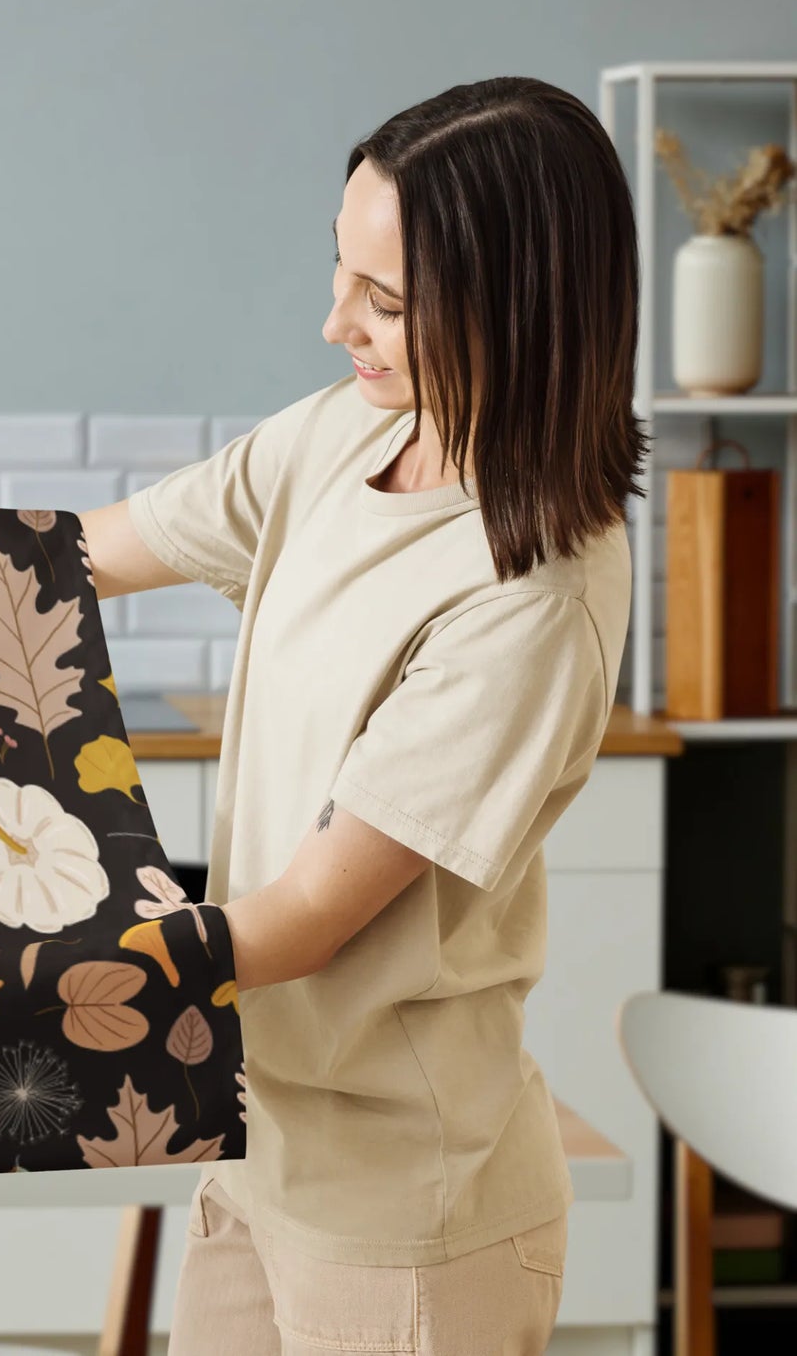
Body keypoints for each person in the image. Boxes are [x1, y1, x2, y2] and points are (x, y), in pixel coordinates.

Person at [81, 75, 647, 1355]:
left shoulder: (531, 593)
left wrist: (7, 969)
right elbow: (77, 557)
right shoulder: (344, 434)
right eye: (341, 271)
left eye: (385, 301)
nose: (334, 320)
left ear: (521, 307)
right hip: (256, 1143)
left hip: (409, 1218)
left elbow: (306, 920)